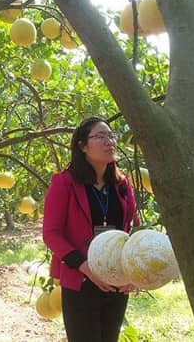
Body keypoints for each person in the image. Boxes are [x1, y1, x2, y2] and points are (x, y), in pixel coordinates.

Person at [42, 117, 140, 342]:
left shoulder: (122, 185)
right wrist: (85, 267)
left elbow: (134, 229)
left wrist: (134, 273)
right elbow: (51, 234)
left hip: (116, 282)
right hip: (81, 281)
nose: (109, 142)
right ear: (83, 146)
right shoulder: (64, 183)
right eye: (101, 136)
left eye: (111, 136)